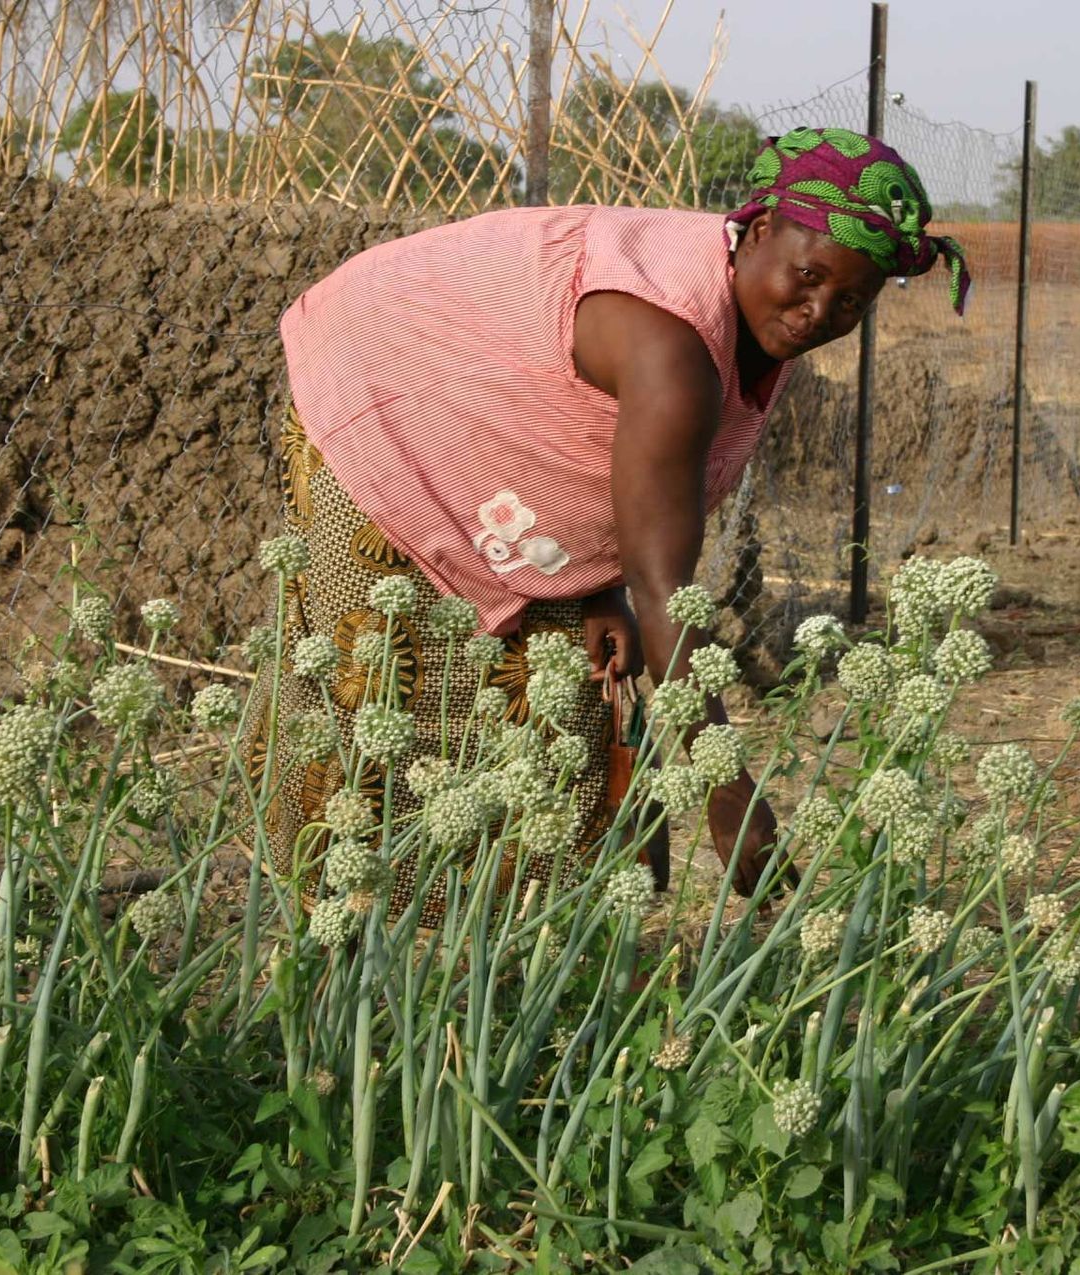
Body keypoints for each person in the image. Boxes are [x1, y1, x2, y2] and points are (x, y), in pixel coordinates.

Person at [254, 126, 967, 911]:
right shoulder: (672, 346)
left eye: (850, 303)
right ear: (759, 231)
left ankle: (520, 964)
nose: (817, 313)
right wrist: (724, 789)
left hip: (497, 452)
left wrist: (600, 587)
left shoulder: (747, 324)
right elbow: (668, 589)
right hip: (389, 402)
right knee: (371, 706)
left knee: (566, 732)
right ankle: (341, 949)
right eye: (808, 277)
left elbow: (605, 460)